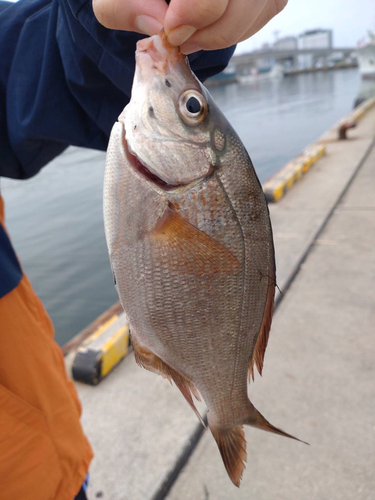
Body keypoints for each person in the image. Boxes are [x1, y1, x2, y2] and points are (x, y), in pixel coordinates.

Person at [0, 0, 287, 498]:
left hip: (37, 468)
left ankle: (226, 405)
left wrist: (128, 16)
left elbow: (42, 62)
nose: (186, 101)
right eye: (191, 108)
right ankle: (229, 405)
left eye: (191, 108)